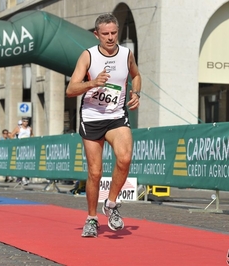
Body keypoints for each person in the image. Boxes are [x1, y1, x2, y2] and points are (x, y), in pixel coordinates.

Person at [66, 13, 141, 237]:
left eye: (114, 33)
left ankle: (110, 204)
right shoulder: (88, 56)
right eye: (105, 34)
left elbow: (136, 75)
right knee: (95, 173)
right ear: (96, 34)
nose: (110, 38)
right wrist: (93, 82)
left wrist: (135, 92)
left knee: (125, 157)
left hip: (116, 115)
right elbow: (71, 90)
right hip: (92, 117)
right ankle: (91, 218)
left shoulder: (127, 54)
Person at [10, 117, 33, 185]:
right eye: (24, 121)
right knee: (20, 162)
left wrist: (32, 141)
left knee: (26, 162)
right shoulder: (18, 128)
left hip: (28, 147)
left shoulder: (29, 128)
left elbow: (32, 135)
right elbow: (11, 135)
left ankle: (24, 177)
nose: (26, 123)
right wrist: (16, 141)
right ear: (22, 122)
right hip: (20, 147)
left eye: (27, 122)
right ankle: (20, 177)